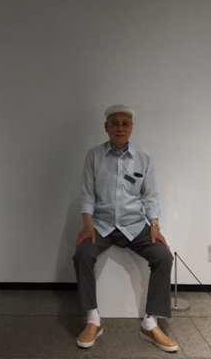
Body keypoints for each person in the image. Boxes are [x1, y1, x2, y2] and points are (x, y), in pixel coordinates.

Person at [73, 104, 178, 352]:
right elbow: (87, 194)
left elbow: (151, 196)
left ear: (131, 128)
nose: (120, 128)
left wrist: (154, 226)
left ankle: (150, 322)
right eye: (115, 123)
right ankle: (93, 319)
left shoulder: (144, 157)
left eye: (125, 123)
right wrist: (88, 225)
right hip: (102, 225)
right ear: (106, 127)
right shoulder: (94, 156)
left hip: (134, 225)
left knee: (163, 257)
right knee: (83, 254)